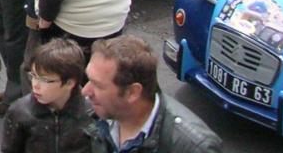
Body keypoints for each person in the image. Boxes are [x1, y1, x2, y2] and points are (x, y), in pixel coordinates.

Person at [83, 36, 222, 153]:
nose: (85, 91)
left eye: (98, 85)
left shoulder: (193, 146)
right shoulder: (94, 111)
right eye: (88, 79)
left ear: (132, 92)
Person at [0, 39, 93, 153]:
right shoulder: (20, 112)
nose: (35, 85)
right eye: (33, 76)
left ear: (70, 83)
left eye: (44, 80)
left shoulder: (92, 113)